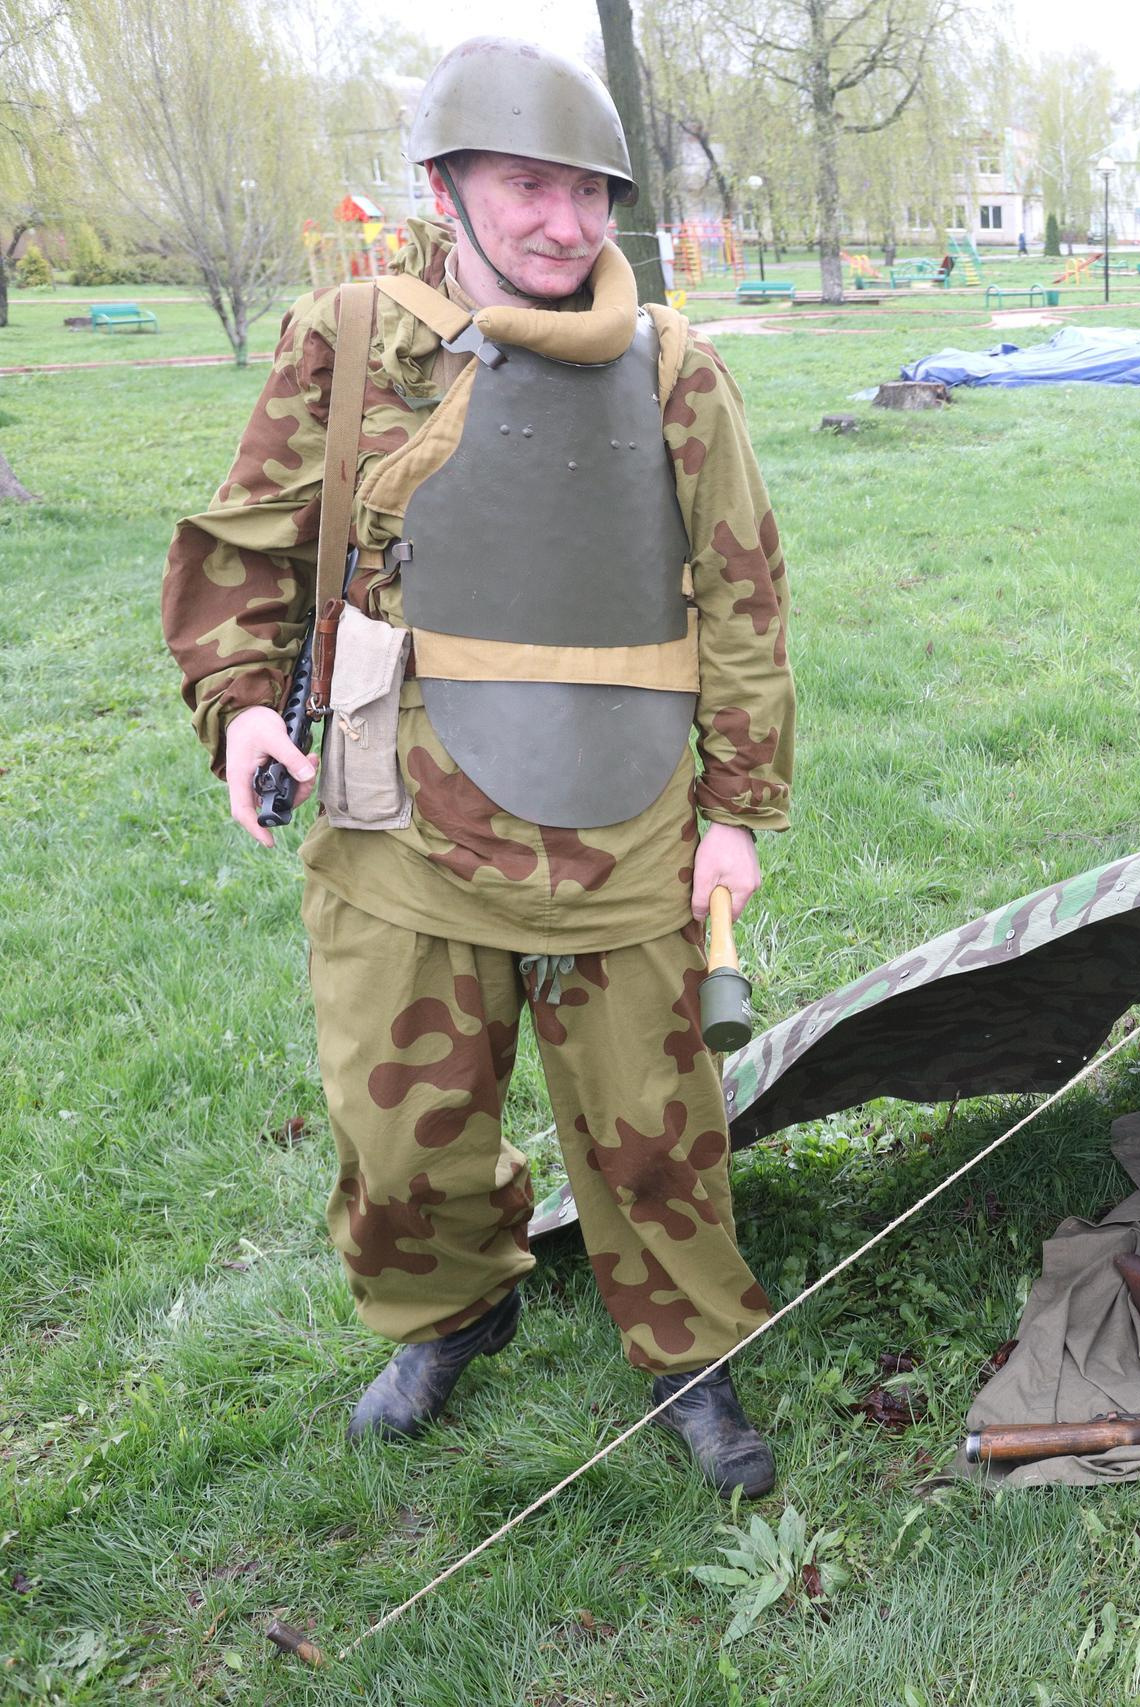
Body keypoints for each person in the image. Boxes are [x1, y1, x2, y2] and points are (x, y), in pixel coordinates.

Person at [161, 36, 794, 1497]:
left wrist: (738, 813)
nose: (566, 223)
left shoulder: (676, 371)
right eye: (529, 187)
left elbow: (743, 596)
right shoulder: (349, 339)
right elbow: (249, 541)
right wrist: (243, 704)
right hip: (393, 806)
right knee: (402, 1138)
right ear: (445, 187)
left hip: (621, 816)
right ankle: (455, 1308)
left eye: (590, 193)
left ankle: (689, 1354)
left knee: (655, 1133)